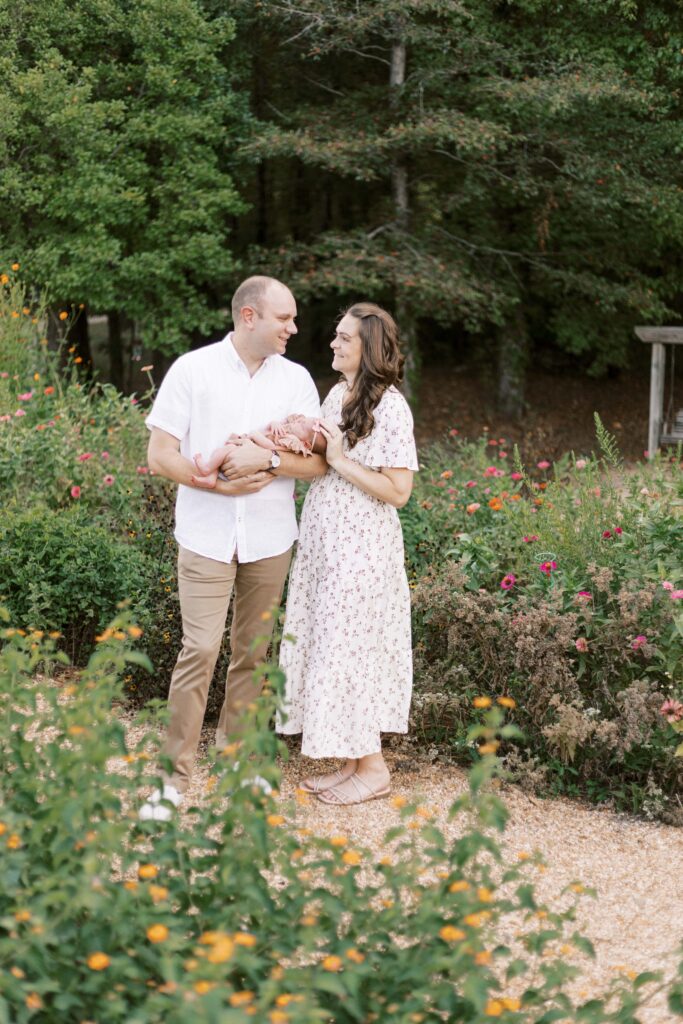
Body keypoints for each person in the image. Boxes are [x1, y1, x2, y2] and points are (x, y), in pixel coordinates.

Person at [139, 276, 326, 821]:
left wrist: (267, 462)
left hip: (270, 538)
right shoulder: (191, 370)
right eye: (284, 318)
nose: (294, 328)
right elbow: (161, 455)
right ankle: (169, 781)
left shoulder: (296, 381)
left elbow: (316, 465)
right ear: (249, 316)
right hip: (205, 535)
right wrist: (214, 485)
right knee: (198, 651)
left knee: (253, 656)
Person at [278, 302, 418, 805]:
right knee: (330, 643)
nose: (333, 343)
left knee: (351, 648)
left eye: (344, 338)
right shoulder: (339, 392)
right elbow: (319, 457)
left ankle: (375, 769)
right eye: (335, 336)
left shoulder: (392, 406)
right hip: (326, 541)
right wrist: (286, 439)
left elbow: (399, 491)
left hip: (363, 544)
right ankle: (353, 762)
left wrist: (339, 460)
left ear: (369, 348)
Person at [191, 414, 326, 488]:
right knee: (220, 451)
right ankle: (211, 478)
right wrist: (275, 423)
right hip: (248, 444)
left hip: (252, 448)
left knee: (225, 451)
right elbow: (273, 426)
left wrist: (256, 436)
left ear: (306, 443)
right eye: (301, 421)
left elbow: (272, 448)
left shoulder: (292, 442)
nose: (298, 422)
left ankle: (208, 468)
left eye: (302, 426)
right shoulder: (289, 428)